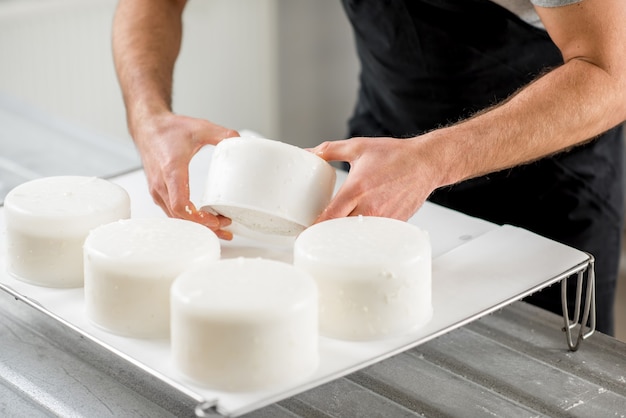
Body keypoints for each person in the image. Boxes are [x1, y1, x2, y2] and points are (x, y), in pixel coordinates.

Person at [112, 0, 626, 336]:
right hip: (377, 154)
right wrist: (149, 117)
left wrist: (434, 158)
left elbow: (611, 73)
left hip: (546, 189)